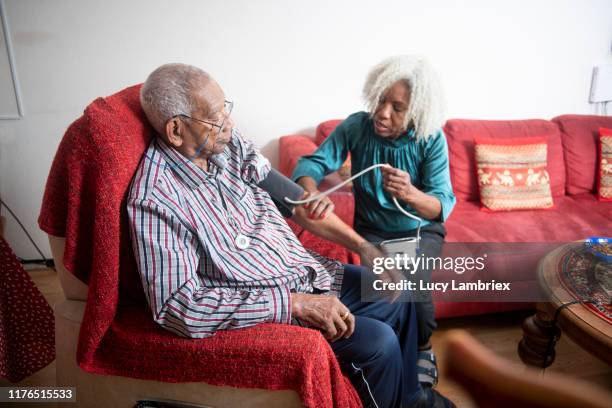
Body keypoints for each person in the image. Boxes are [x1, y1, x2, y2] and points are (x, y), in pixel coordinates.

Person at [127, 63, 454, 408]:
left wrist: (364, 247)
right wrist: (295, 303)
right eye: (216, 116)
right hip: (267, 302)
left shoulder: (227, 145)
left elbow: (297, 203)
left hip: (303, 274)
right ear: (176, 130)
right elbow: (179, 307)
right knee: (379, 342)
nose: (230, 124)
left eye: (227, 108)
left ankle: (411, 398)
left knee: (396, 293)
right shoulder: (156, 201)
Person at [292, 55, 457, 388]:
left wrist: (410, 193)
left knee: (410, 290)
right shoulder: (357, 126)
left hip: (418, 229)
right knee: (379, 290)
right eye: (381, 100)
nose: (383, 113)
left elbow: (440, 206)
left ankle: (423, 350)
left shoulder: (431, 138)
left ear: (417, 111)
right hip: (371, 229)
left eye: (398, 107)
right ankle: (387, 352)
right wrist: (311, 193)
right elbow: (310, 165)